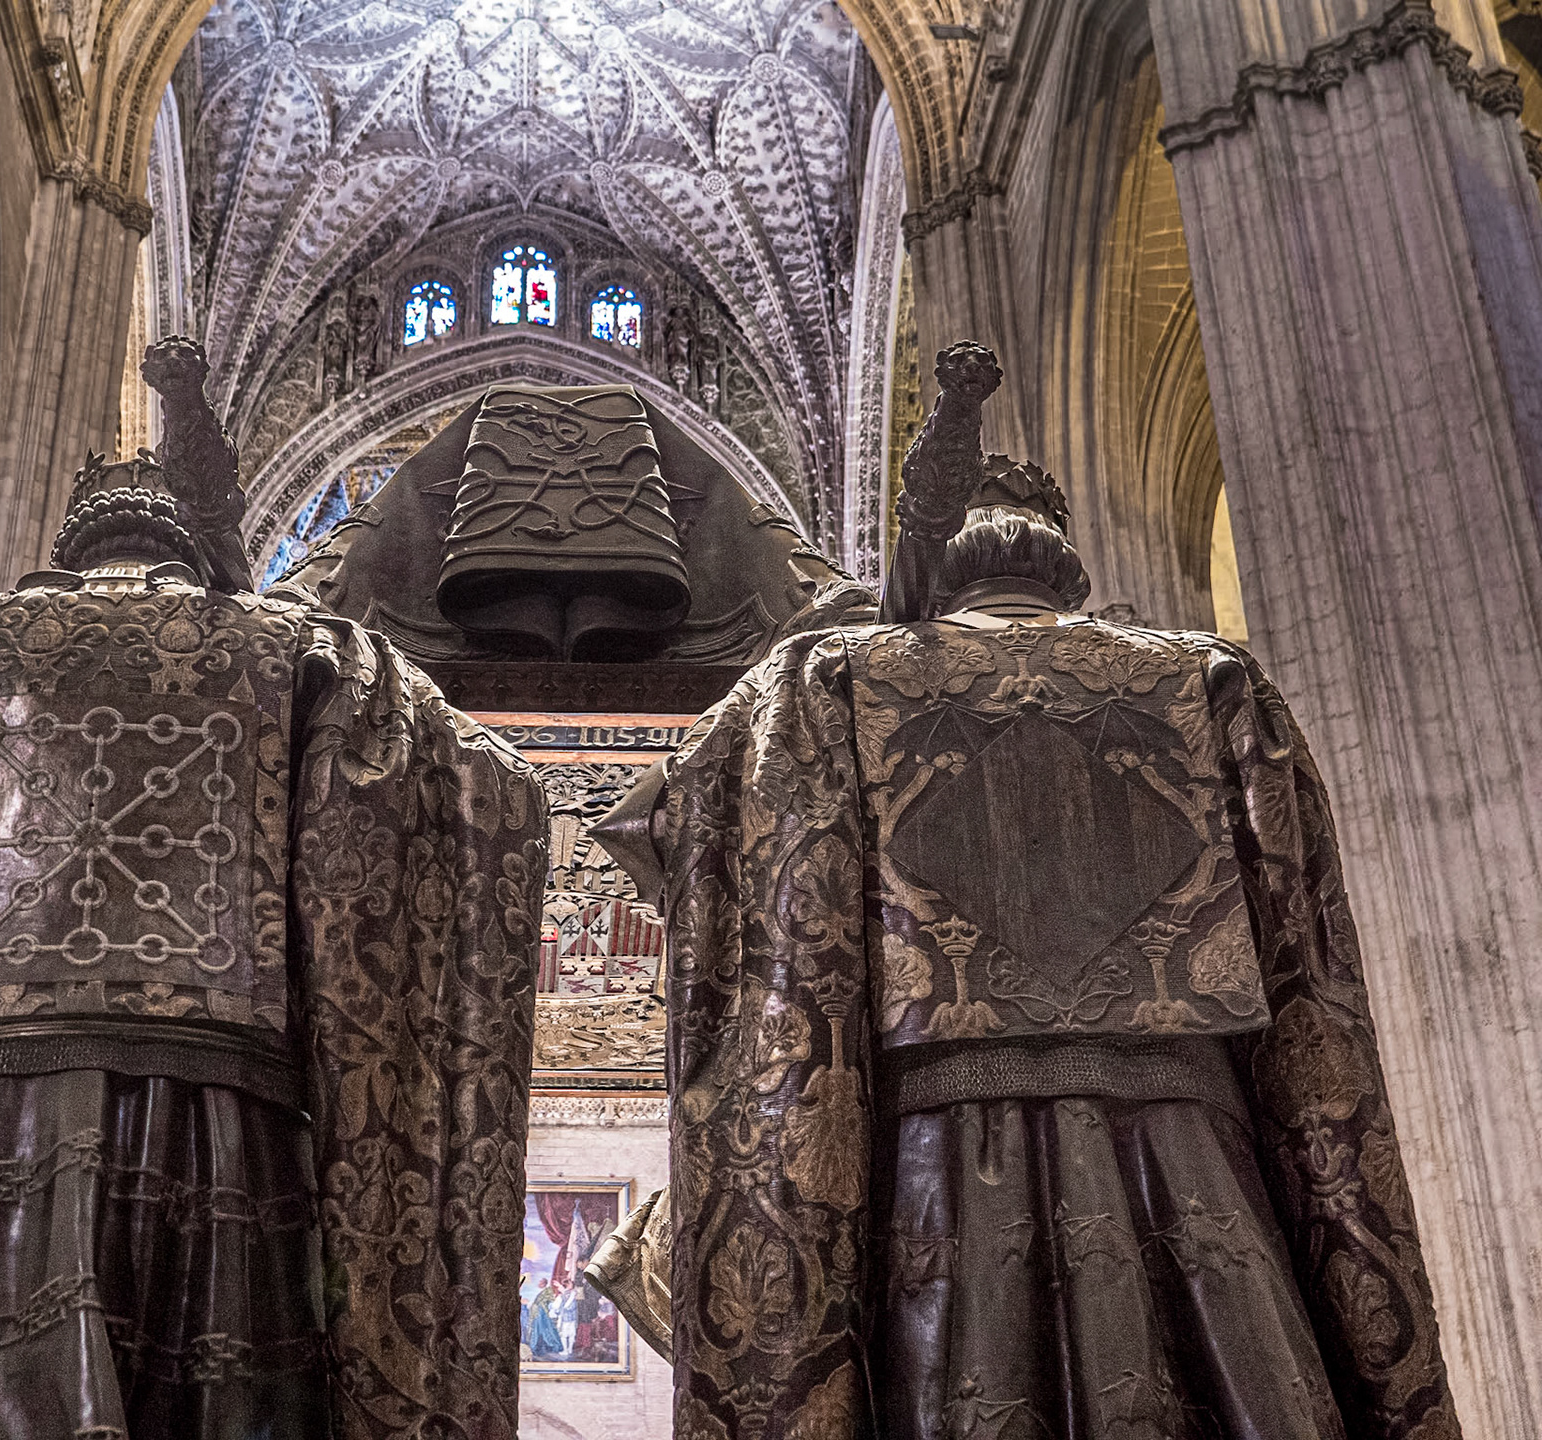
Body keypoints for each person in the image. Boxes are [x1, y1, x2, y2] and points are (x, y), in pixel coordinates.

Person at [594, 343, 1458, 1438]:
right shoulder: (1213, 679)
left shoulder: (830, 681)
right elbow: (1306, 981)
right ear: (1068, 569)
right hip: (1192, 1149)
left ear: (941, 561)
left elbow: (656, 828)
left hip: (943, 1157)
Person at [0, 338, 546, 1440]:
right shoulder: (307, 655)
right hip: (216, 1149)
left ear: (67, 547)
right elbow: (473, 802)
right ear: (194, 550)